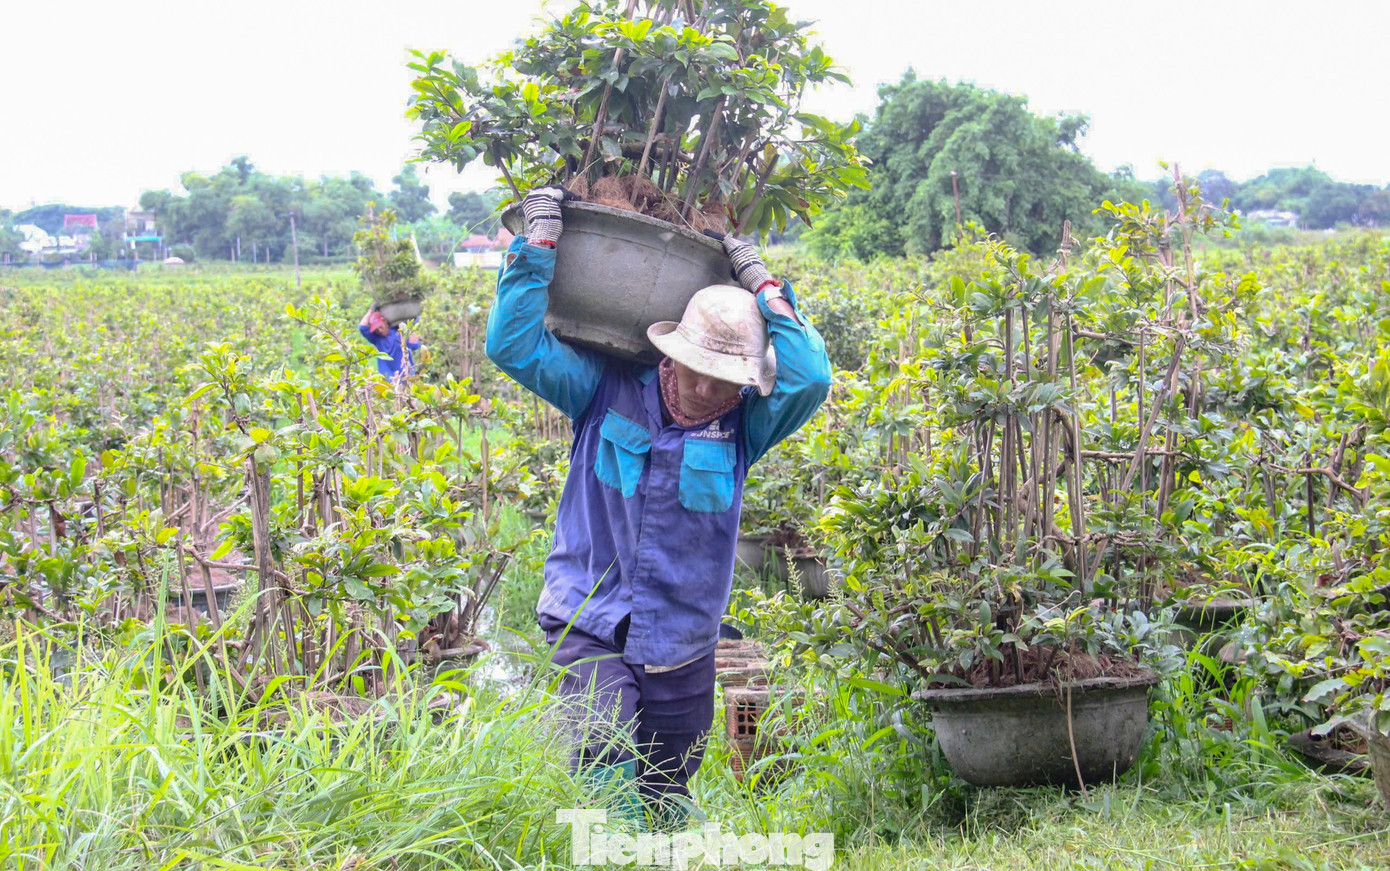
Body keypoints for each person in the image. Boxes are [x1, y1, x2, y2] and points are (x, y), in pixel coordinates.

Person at [485, 186, 832, 826]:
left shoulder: (743, 430)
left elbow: (811, 377)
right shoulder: (602, 391)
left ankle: (662, 847)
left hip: (683, 637)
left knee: (668, 785)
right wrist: (539, 245)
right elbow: (513, 346)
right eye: (696, 368)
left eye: (725, 381)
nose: (704, 388)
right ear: (673, 351)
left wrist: (763, 284)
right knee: (603, 748)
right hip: (587, 614)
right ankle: (610, 851)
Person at [358, 306, 422, 381]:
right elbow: (362, 327)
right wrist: (371, 310)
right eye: (376, 330)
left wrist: (410, 328)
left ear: (384, 321)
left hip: (406, 376)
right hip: (388, 380)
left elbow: (414, 345)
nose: (380, 331)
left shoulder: (399, 332)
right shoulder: (376, 339)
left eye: (380, 327)